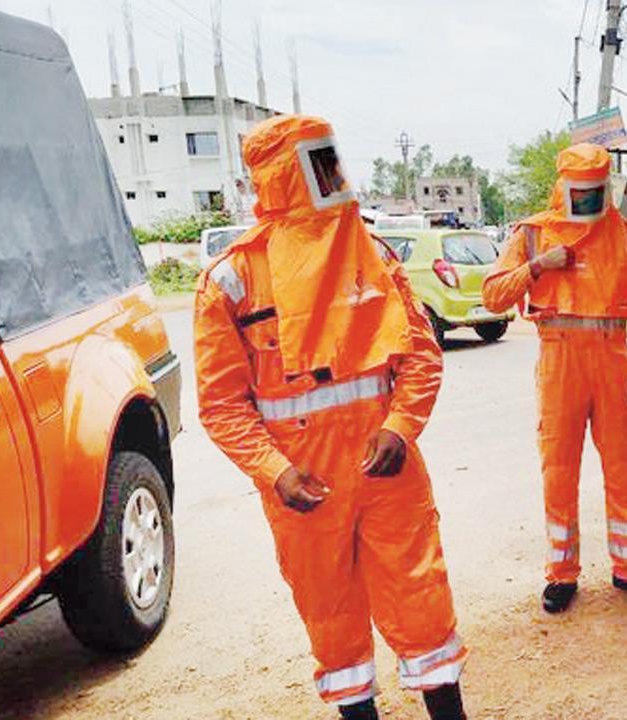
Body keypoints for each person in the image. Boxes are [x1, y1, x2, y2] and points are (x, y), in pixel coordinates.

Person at [194, 115, 468, 720]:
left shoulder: (370, 256)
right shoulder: (232, 279)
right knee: (331, 617)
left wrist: (400, 425)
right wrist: (274, 471)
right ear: (282, 177)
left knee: (421, 598)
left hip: (386, 470)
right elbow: (220, 404)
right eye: (317, 165)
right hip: (304, 485)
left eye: (331, 160)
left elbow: (421, 353)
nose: (334, 176)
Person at [482, 143, 627, 614]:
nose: (589, 203)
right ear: (563, 189)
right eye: (581, 194)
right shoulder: (532, 235)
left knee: (623, 469)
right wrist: (538, 266)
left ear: (607, 187)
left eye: (597, 193)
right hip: (559, 361)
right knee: (559, 470)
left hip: (614, 361)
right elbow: (492, 295)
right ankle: (561, 573)